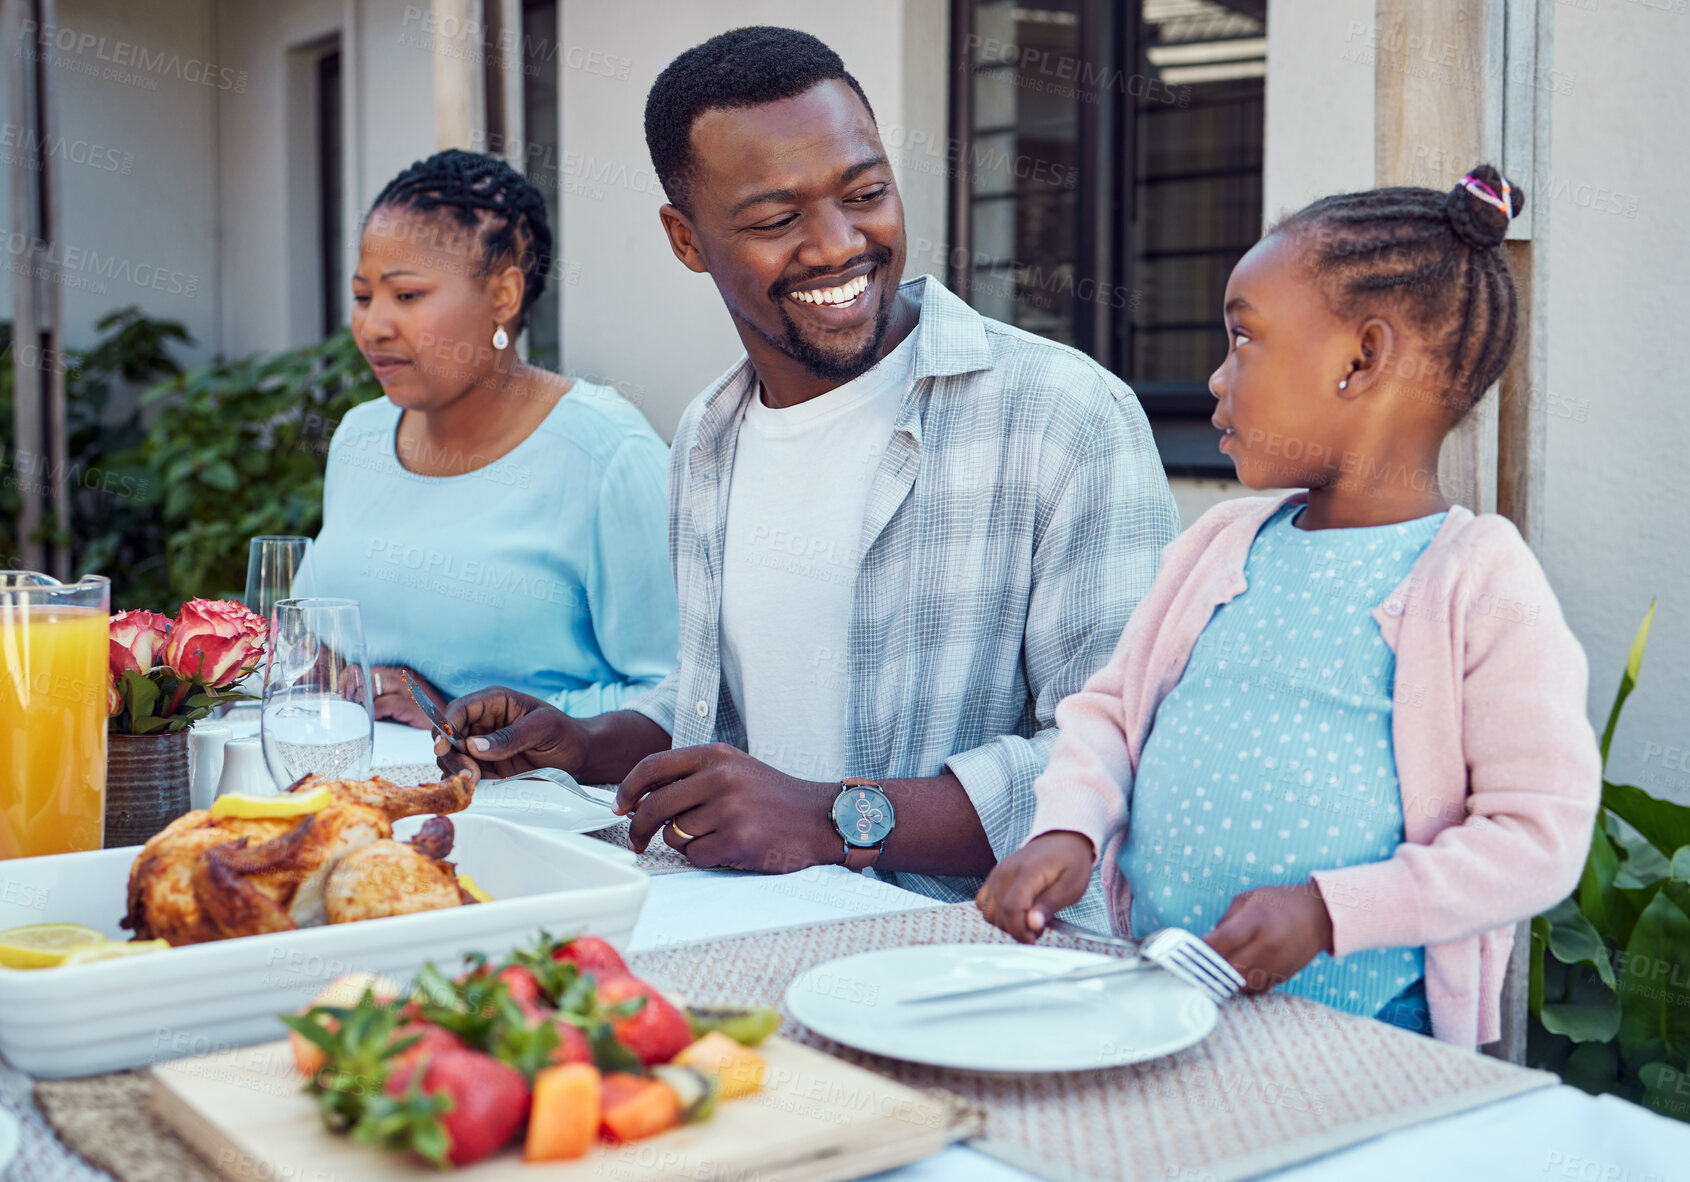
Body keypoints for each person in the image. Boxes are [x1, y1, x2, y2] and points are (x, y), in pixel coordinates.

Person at [438, 27, 1178, 921]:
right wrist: (583, 742)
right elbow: (736, 701)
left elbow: (1123, 753)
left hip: (986, 965)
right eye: (776, 220)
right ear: (687, 239)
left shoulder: (1063, 416)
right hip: (761, 932)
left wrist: (833, 819)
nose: (837, 247)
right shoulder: (709, 436)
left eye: (864, 192)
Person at [976, 165, 1601, 1045]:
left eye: (1244, 339)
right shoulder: (1222, 544)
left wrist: (1328, 912)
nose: (1217, 378)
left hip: (1367, 1036)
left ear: (1362, 357)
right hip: (1165, 1006)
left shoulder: (1477, 579)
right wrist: (1067, 833)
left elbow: (1535, 834)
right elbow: (1109, 717)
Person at [306, 149, 678, 724]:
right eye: (362, 296)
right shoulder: (360, 437)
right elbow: (312, 634)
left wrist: (464, 712)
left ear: (503, 296)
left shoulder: (608, 455)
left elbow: (679, 697)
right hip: (351, 800)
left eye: (406, 296)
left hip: (536, 810)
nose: (372, 326)